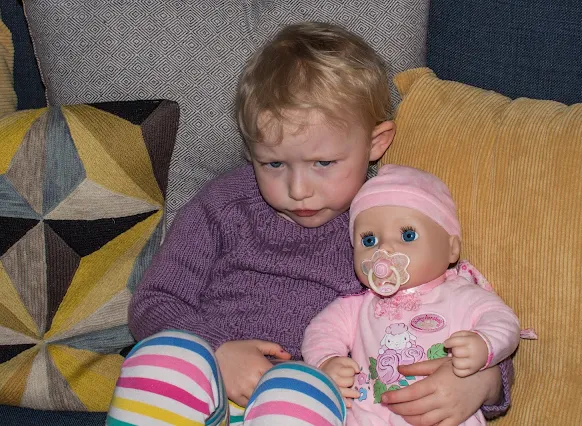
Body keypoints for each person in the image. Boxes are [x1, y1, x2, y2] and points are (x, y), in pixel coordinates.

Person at [106, 22, 512, 426]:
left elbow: (457, 308)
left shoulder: (386, 224)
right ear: (251, 150)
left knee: (297, 392)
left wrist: (483, 381)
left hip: (308, 401)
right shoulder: (223, 205)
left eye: (323, 163)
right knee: (161, 359)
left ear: (376, 142)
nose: (298, 189)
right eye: (274, 163)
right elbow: (154, 302)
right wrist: (217, 348)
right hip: (209, 380)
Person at [302, 164, 521, 425]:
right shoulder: (357, 304)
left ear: (452, 249)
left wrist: (484, 344)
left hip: (445, 413)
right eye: (369, 240)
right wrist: (328, 361)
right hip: (369, 415)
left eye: (407, 235)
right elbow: (321, 331)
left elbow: (503, 321)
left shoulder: (463, 295)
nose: (385, 248)